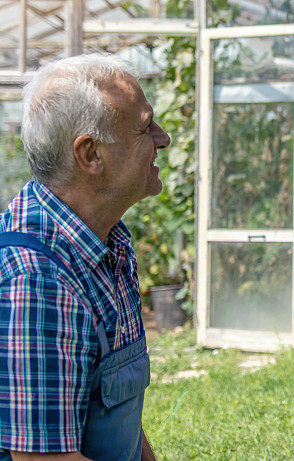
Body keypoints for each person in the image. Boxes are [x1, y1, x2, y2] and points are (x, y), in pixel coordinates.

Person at [0, 54, 171, 461]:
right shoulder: (36, 281)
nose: (163, 139)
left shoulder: (104, 240)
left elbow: (114, 415)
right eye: (145, 128)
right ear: (91, 155)